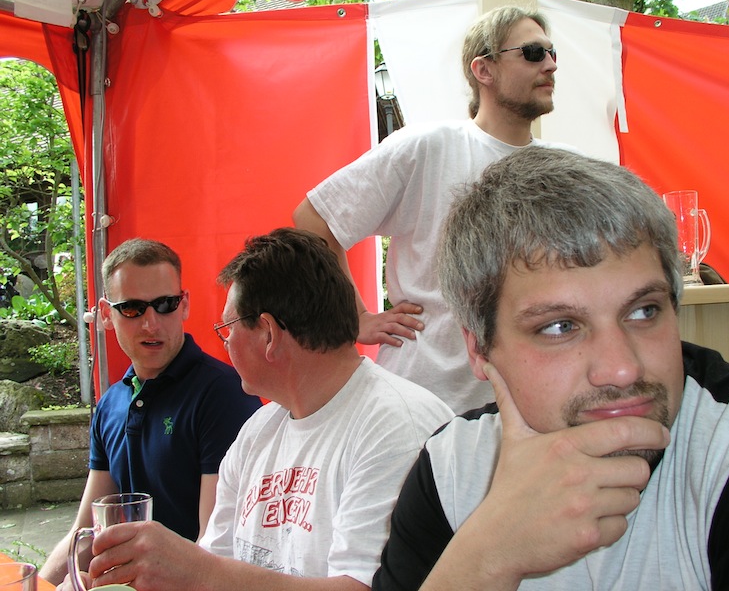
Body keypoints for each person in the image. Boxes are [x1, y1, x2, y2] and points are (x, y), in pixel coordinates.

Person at [372, 146, 729, 590]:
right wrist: (487, 556)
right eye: (560, 327)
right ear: (480, 349)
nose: (622, 369)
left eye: (643, 311)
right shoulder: (452, 468)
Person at [61, 228, 453, 591]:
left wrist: (194, 569)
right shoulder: (257, 432)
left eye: (227, 329)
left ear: (267, 333)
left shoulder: (396, 426)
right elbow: (218, 560)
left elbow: (363, 587)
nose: (226, 344)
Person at [293, 5, 574, 415]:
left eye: (552, 53)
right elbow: (315, 219)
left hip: (532, 403)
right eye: (533, 53)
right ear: (484, 69)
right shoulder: (429, 146)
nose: (549, 64)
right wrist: (355, 318)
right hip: (425, 404)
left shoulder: (565, 168)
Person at [41, 238, 262, 585]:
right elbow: (85, 533)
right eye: (132, 309)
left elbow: (215, 549)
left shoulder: (223, 393)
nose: (151, 324)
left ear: (184, 305)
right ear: (106, 314)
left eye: (165, 305)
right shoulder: (111, 403)